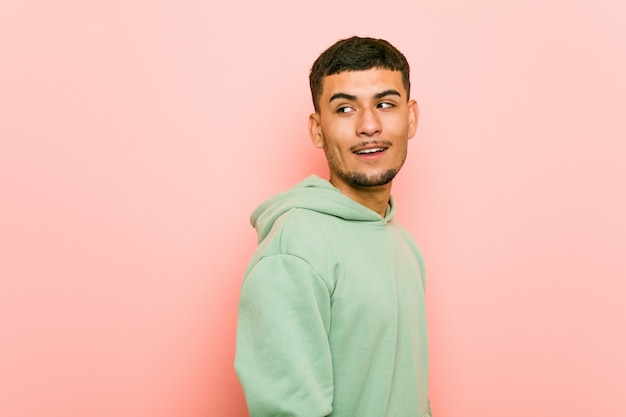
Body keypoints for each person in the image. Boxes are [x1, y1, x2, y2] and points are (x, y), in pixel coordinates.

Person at [235, 36, 431, 417]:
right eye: (344, 109)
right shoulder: (295, 249)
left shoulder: (404, 244)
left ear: (411, 118)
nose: (369, 126)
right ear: (317, 129)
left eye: (385, 104)